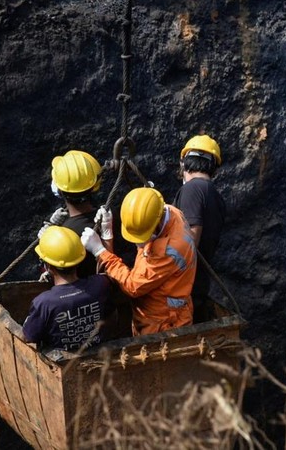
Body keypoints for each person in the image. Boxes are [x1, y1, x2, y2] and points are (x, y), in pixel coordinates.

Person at [80, 187, 197, 336]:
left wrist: (100, 252)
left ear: (156, 226)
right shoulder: (170, 211)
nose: (137, 244)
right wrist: (108, 228)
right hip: (164, 309)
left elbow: (132, 286)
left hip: (164, 323)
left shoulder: (167, 251)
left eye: (141, 238)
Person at [23, 225, 115, 353]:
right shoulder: (99, 285)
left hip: (62, 364)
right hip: (99, 353)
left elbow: (29, 336)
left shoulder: (43, 303)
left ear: (48, 266)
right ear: (79, 259)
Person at [173, 134, 226, 323]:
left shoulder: (192, 189)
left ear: (183, 163)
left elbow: (190, 241)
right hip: (199, 282)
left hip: (186, 285)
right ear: (214, 168)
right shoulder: (215, 195)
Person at [38, 150, 111, 279]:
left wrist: (46, 240)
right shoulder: (109, 218)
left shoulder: (64, 237)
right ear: (94, 185)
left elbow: (55, 274)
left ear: (59, 190)